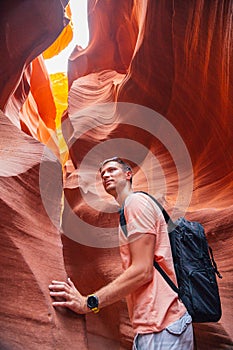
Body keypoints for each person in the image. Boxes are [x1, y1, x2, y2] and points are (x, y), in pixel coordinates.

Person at [49, 157, 194, 349]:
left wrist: (89, 303)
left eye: (111, 170)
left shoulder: (135, 203)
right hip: (157, 325)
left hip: (161, 326)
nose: (106, 175)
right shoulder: (130, 207)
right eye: (102, 174)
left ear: (128, 174)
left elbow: (142, 271)